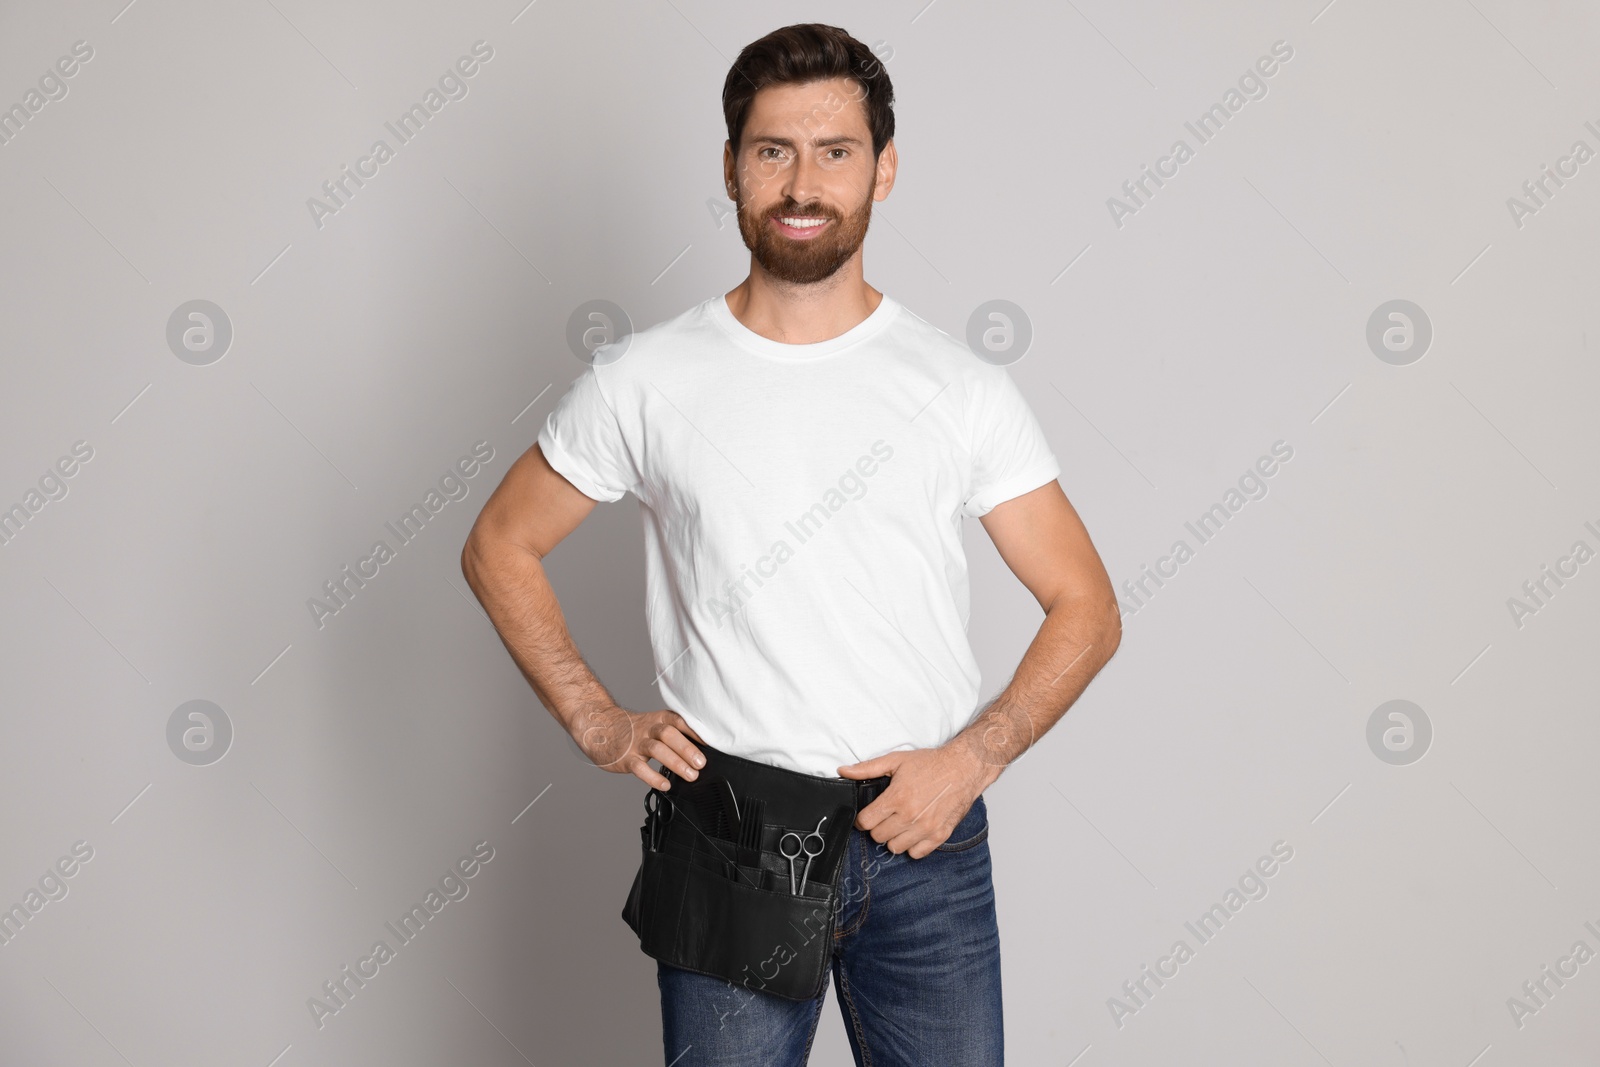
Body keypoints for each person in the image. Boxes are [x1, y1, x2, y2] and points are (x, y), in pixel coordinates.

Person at [460, 21, 1121, 1066]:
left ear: (884, 169)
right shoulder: (646, 378)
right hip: (732, 837)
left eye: (835, 151)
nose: (802, 182)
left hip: (923, 840)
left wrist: (973, 758)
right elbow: (499, 543)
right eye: (772, 150)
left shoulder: (958, 388)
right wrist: (595, 720)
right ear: (730, 167)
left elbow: (1086, 604)